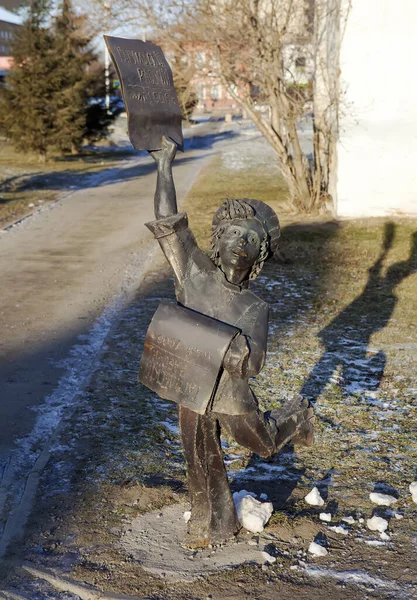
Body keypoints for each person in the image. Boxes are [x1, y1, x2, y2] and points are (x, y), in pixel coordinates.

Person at [145, 137, 314, 547]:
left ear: (258, 257)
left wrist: (232, 349)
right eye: (234, 233)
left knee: (261, 444)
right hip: (191, 382)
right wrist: (164, 164)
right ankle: (213, 521)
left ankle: (298, 416)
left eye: (251, 239)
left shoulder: (255, 306)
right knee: (199, 454)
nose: (241, 241)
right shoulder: (194, 273)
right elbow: (168, 220)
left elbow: (252, 364)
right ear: (217, 239)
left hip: (232, 395)